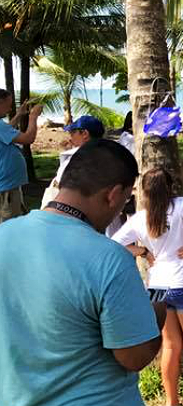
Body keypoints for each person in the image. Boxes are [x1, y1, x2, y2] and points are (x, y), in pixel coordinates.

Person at [0, 140, 162, 406]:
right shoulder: (109, 258)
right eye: (125, 199)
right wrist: (156, 315)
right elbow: (134, 356)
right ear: (113, 194)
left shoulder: (4, 235)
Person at [112, 168, 183, 406]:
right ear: (170, 186)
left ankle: (171, 401)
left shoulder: (140, 218)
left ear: (144, 191)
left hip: (157, 286)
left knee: (170, 345)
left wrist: (142, 251)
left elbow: (113, 244)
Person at [41, 115, 106, 207]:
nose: (70, 137)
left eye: (72, 133)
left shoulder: (81, 158)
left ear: (85, 134)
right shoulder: (104, 155)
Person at [0, 89, 42, 222]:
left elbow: (6, 131)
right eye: (9, 103)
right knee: (9, 224)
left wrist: (19, 114)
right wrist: (33, 116)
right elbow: (28, 138)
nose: (10, 107)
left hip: (7, 184)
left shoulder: (2, 127)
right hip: (6, 186)